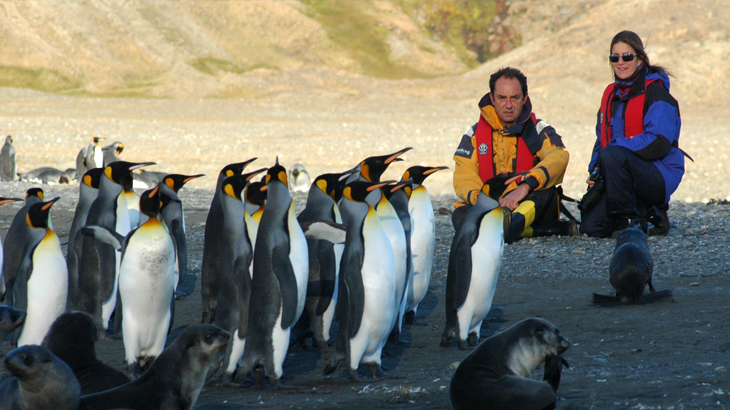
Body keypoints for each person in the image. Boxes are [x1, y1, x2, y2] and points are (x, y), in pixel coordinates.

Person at [579, 30, 684, 238]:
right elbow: (601, 141)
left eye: (627, 56)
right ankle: (648, 213)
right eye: (614, 57)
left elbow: (659, 143)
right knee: (591, 227)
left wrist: (616, 151)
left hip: (659, 173)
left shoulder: (657, 94)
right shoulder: (611, 96)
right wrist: (597, 170)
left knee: (613, 154)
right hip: (622, 172)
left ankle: (631, 220)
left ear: (640, 59)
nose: (620, 62)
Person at [452, 67, 575, 243]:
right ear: (492, 99)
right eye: (502, 98)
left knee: (546, 193)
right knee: (459, 214)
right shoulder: (475, 134)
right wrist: (489, 202)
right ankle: (530, 230)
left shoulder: (538, 130)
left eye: (515, 98)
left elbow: (558, 158)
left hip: (528, 201)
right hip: (492, 206)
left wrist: (525, 186)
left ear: (524, 98)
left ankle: (501, 228)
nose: (508, 105)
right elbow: (464, 176)